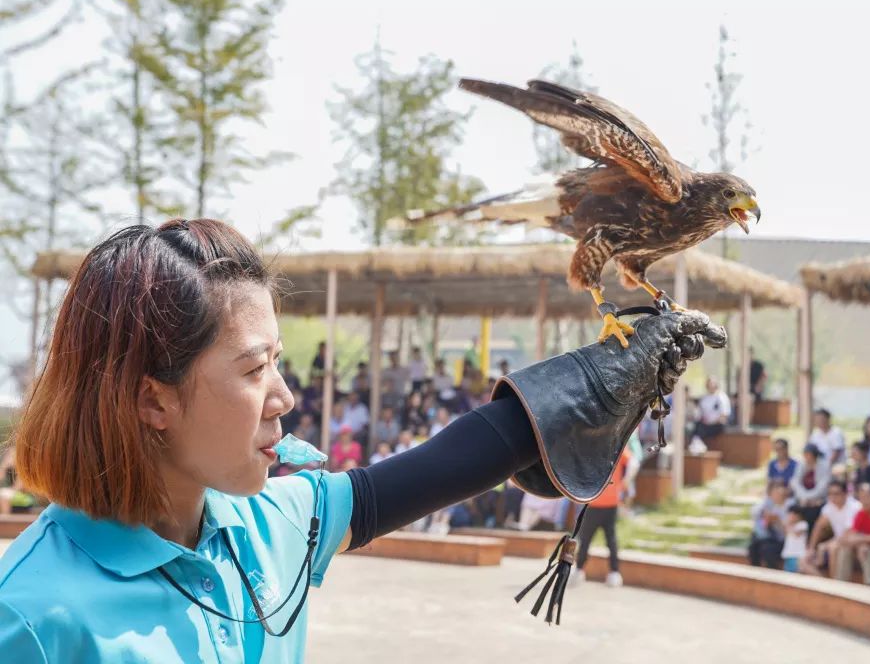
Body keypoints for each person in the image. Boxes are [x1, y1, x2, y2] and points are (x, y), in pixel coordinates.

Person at [0, 218, 722, 658]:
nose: (284, 397)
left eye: (279, 362)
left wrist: (586, 386)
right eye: (255, 369)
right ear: (150, 400)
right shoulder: (30, 616)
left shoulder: (266, 526)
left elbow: (414, 479)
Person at [571, 447, 632, 587]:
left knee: (591, 538)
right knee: (603, 539)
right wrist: (626, 482)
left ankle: (608, 572)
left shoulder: (613, 447)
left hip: (599, 502)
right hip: (596, 502)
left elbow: (632, 462)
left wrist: (626, 482)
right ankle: (611, 572)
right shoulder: (615, 446)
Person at [801, 480, 862, 579]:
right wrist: (811, 548)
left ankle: (834, 584)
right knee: (803, 561)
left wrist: (824, 545)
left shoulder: (855, 507)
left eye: (836, 494)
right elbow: (818, 526)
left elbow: (849, 532)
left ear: (845, 494)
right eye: (830, 494)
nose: (832, 497)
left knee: (833, 548)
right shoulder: (829, 507)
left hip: (853, 544)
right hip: (838, 542)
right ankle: (825, 583)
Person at [749, 480, 789, 569]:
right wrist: (766, 521)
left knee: (767, 550)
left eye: (779, 493)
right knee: (753, 547)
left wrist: (777, 521)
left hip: (782, 540)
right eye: (774, 493)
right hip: (769, 539)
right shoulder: (769, 506)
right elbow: (761, 523)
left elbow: (787, 530)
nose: (776, 496)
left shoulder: (789, 506)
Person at [790, 444, 831, 530]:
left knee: (811, 513)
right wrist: (804, 498)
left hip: (818, 500)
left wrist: (808, 499)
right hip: (802, 499)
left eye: (808, 455)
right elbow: (795, 482)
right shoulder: (801, 465)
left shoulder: (824, 466)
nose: (806, 457)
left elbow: (822, 488)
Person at [781, 509, 808, 573]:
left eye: (792, 515)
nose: (790, 517)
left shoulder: (803, 524)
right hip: (788, 555)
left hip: (798, 555)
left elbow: (796, 534)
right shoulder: (790, 526)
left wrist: (787, 525)